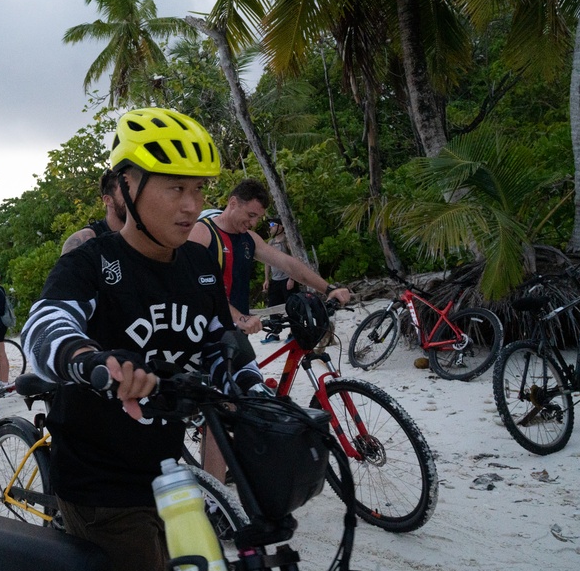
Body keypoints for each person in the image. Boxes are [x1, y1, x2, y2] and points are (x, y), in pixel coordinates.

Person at [21, 108, 270, 571]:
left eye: (198, 189)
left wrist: (258, 395)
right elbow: (43, 326)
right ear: (128, 186)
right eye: (175, 187)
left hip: (171, 475)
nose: (192, 206)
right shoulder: (90, 263)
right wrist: (89, 360)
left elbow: (222, 346)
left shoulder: (199, 266)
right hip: (102, 487)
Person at [188, 179, 351, 337]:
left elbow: (288, 265)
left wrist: (329, 289)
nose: (253, 223)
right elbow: (193, 287)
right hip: (201, 334)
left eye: (258, 218)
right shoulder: (201, 233)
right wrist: (238, 317)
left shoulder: (249, 239)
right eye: (251, 215)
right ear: (232, 203)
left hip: (236, 333)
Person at [60, 168, 128, 255]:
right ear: (108, 200)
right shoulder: (84, 240)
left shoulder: (143, 235)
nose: (132, 196)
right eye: (125, 190)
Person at [261, 219, 296, 343]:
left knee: (291, 307)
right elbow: (267, 261)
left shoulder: (287, 241)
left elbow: (294, 260)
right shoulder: (270, 243)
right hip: (275, 279)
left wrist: (292, 278)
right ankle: (275, 332)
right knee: (273, 306)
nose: (270, 227)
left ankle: (293, 332)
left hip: (287, 279)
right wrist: (266, 279)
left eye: (272, 225)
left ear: (280, 226)